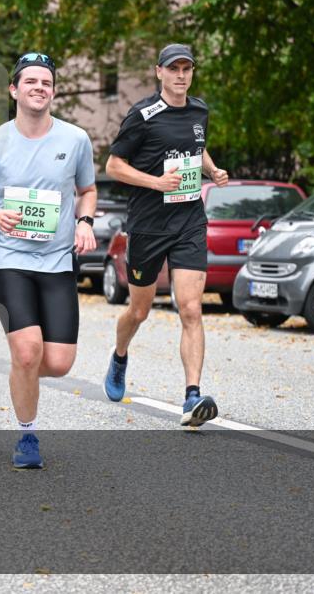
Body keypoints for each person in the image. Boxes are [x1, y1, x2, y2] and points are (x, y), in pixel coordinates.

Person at [0, 53, 97, 469]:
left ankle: (21, 375)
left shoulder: (75, 140)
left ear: (53, 91)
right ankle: (27, 434)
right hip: (7, 259)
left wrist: (85, 222)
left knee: (57, 363)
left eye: (46, 82)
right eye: (31, 81)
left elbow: (87, 190)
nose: (39, 87)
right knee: (27, 352)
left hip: (56, 261)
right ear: (14, 90)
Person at [104, 44, 228, 428]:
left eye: (187, 68)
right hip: (148, 225)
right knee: (139, 310)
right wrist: (156, 182)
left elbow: (198, 147)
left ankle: (192, 395)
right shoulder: (143, 115)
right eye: (173, 68)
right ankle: (120, 354)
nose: (181, 75)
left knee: (191, 308)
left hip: (189, 220)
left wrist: (211, 169)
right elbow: (113, 165)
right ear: (159, 72)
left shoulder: (200, 110)